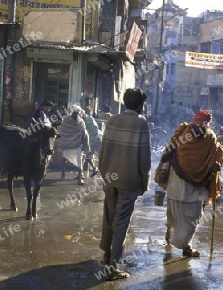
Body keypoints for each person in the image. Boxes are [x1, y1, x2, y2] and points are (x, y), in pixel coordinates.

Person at [98, 88, 151, 281]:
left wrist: (104, 173)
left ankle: (106, 254)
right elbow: (144, 158)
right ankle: (112, 267)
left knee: (109, 218)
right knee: (120, 223)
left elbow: (103, 150)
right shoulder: (141, 123)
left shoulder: (113, 120)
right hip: (129, 181)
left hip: (110, 178)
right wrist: (144, 181)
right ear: (139, 105)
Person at [159, 110, 223, 257]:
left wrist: (217, 164)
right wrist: (164, 170)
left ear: (207, 124)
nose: (199, 128)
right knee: (173, 215)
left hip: (199, 182)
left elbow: (217, 153)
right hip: (177, 180)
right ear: (194, 122)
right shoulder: (182, 132)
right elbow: (169, 152)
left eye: (203, 125)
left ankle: (186, 245)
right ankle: (171, 233)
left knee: (194, 216)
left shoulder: (211, 138)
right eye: (198, 124)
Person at [57, 104, 90, 185]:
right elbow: (61, 129)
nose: (75, 115)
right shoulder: (65, 119)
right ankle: (63, 174)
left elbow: (83, 132)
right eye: (74, 113)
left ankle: (80, 177)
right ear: (72, 113)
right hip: (67, 144)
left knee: (79, 160)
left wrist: (84, 143)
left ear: (79, 114)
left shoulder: (80, 121)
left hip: (76, 144)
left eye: (76, 114)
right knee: (65, 159)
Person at [82, 106, 103, 177]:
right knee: (94, 155)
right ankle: (97, 168)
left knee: (88, 156)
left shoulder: (86, 119)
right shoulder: (90, 118)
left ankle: (95, 168)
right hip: (97, 137)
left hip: (92, 139)